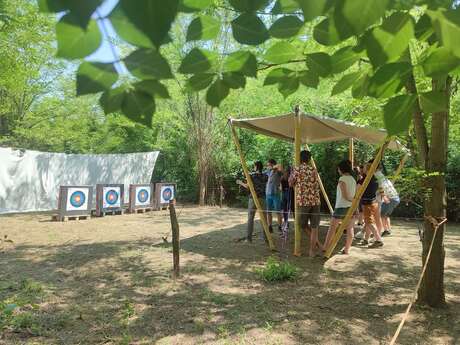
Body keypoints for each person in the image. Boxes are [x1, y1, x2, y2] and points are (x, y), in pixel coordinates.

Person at [289, 150, 322, 257]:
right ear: (309, 159)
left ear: (299, 158)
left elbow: (290, 183)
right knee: (314, 227)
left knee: (302, 225)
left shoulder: (297, 169)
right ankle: (313, 250)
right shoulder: (314, 169)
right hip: (316, 201)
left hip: (304, 202)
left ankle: (318, 245)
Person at [323, 160, 356, 255]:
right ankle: (347, 249)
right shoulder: (353, 179)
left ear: (341, 169)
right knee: (350, 228)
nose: (338, 170)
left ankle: (325, 247)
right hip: (351, 207)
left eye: (338, 169)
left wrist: (352, 201)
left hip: (341, 206)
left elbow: (345, 196)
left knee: (332, 227)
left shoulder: (342, 179)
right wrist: (354, 203)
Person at [236, 161, 268, 243]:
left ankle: (249, 238)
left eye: (254, 166)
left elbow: (247, 187)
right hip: (263, 199)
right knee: (264, 219)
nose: (253, 167)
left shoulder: (252, 176)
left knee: (250, 218)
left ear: (256, 167)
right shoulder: (265, 176)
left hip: (253, 198)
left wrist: (240, 182)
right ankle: (267, 239)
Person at [358, 161, 384, 248]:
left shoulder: (364, 179)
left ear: (368, 169)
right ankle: (366, 239)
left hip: (367, 204)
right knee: (369, 221)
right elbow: (380, 189)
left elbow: (357, 191)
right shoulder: (376, 178)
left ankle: (378, 239)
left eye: (365, 167)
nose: (363, 169)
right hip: (374, 202)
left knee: (369, 222)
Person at [375, 163, 400, 236]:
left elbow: (380, 187)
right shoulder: (383, 176)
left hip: (390, 198)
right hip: (395, 197)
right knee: (386, 215)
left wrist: (384, 196)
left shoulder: (377, 175)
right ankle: (388, 230)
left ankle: (385, 230)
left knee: (381, 215)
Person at [265, 158, 283, 233]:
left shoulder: (278, 171)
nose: (267, 166)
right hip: (268, 194)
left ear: (272, 164)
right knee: (268, 211)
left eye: (268, 165)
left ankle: (279, 226)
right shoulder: (269, 171)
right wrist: (270, 168)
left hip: (276, 194)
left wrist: (272, 167)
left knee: (278, 211)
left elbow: (280, 165)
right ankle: (270, 226)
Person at [280, 166, 294, 231]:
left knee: (287, 209)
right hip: (287, 193)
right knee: (288, 209)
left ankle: (286, 223)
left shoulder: (285, 177)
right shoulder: (288, 176)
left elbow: (281, 187)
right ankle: (288, 223)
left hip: (286, 193)